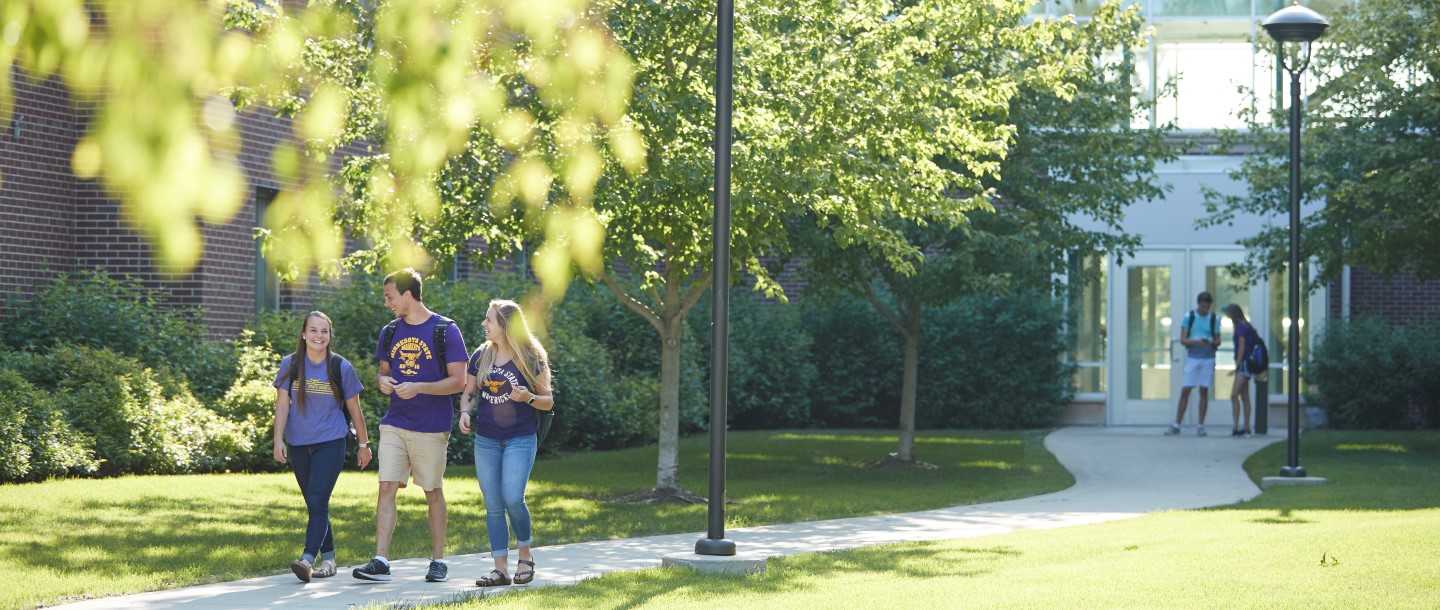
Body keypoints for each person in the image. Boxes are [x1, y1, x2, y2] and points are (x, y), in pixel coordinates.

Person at [353, 269, 468, 583]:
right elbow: (382, 372)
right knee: (387, 486)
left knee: (432, 491)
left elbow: (459, 381)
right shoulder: (390, 331)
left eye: (390, 296)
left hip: (431, 426)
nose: (387, 302)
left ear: (407, 294)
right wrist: (383, 382)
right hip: (396, 422)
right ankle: (380, 561)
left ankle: (438, 561)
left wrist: (420, 387)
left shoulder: (445, 330)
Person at [459, 299, 554, 587]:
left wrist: (528, 398)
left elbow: (547, 400)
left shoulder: (530, 356)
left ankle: (525, 555)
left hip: (520, 438)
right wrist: (464, 411)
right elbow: (469, 392)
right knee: (493, 505)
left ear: (506, 325)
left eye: (489, 320)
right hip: (487, 439)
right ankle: (500, 569)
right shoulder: (481, 355)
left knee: (513, 496)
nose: (484, 324)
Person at [272, 311, 370, 583]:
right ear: (303, 334)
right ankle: (329, 559)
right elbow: (282, 405)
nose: (318, 336)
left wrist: (364, 444)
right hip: (299, 443)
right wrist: (278, 439)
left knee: (316, 501)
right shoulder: (290, 364)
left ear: (330, 335)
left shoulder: (341, 366)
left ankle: (306, 559)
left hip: (331, 441)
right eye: (313, 330)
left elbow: (355, 409)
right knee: (315, 504)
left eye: (324, 331)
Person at [1165, 292, 1221, 436]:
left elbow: (1218, 340)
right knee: (1186, 389)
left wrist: (1210, 343)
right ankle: (1177, 424)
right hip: (1193, 357)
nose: (1204, 310)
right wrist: (1197, 341)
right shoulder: (1189, 317)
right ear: (1198, 304)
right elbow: (1183, 340)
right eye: (1202, 307)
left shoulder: (1214, 319)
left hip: (1208, 358)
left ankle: (1200, 425)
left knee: (1204, 391)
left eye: (1207, 307)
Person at [1223, 303, 1258, 437]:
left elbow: (1242, 346)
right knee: (1244, 395)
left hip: (1244, 363)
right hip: (1246, 363)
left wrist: (1237, 365)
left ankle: (1239, 426)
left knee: (1234, 395)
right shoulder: (1245, 325)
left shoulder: (1241, 327)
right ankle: (1245, 427)